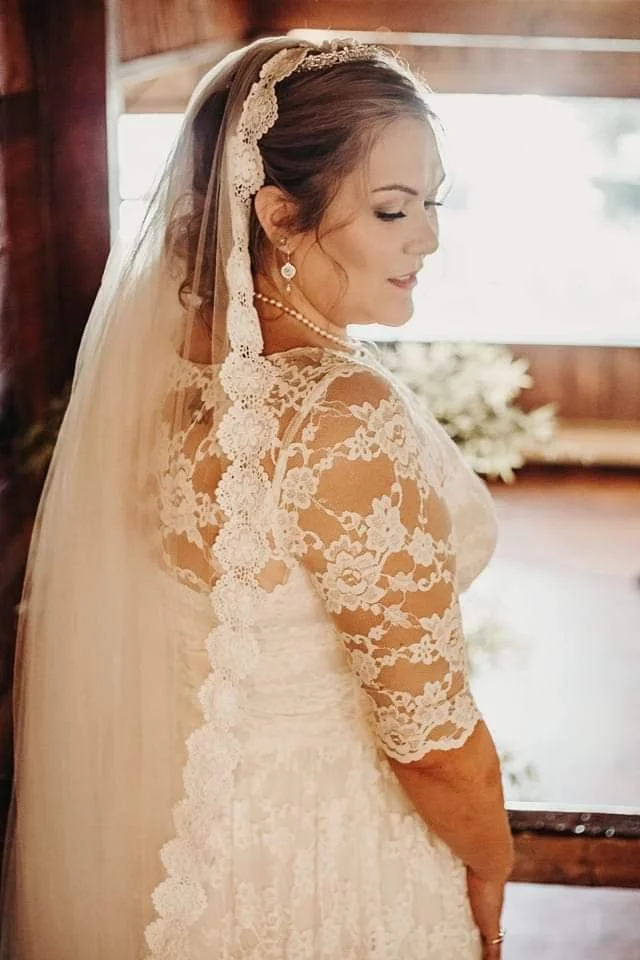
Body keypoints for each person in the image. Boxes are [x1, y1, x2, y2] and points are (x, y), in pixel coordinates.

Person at [0, 36, 514, 959]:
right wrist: (493, 864)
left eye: (430, 203)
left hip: (197, 849)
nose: (428, 236)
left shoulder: (173, 377)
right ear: (279, 214)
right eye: (394, 208)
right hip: (335, 863)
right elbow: (432, 739)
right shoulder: (338, 413)